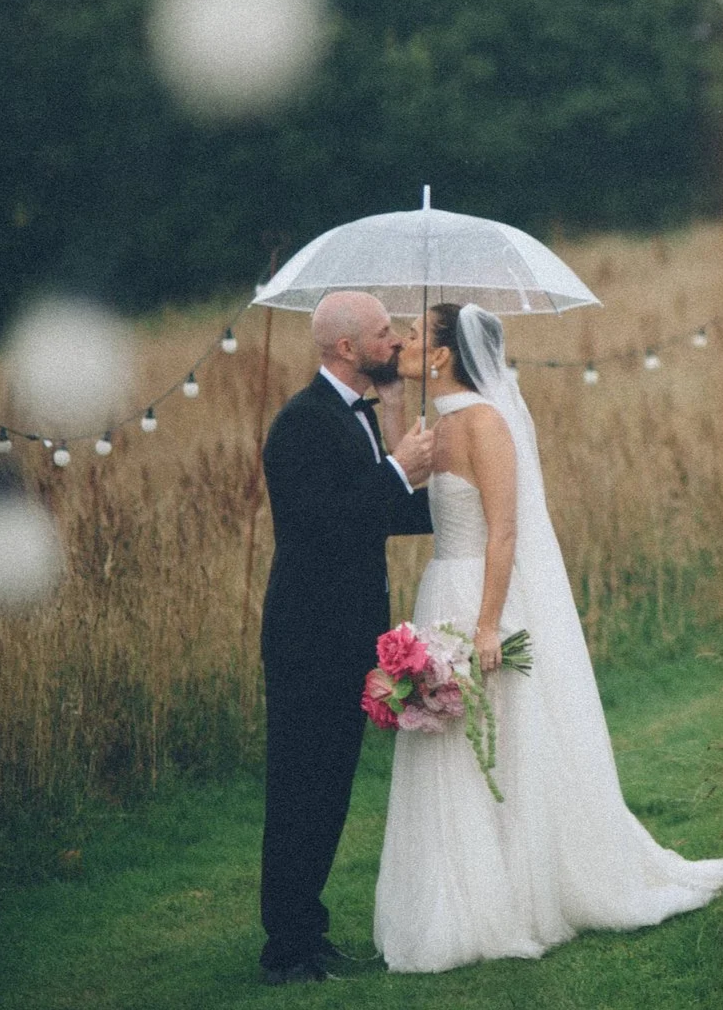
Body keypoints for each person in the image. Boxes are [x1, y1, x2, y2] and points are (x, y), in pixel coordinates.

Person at [374, 302, 723, 974]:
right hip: (439, 591)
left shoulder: (488, 423)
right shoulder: (436, 425)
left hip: (479, 596)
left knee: (501, 739)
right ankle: (461, 892)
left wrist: (490, 621)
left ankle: (523, 891)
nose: (403, 344)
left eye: (413, 336)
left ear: (441, 354)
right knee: (449, 747)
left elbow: (504, 529)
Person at [259, 290, 434, 986]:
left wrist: (452, 502)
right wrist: (397, 468)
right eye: (385, 333)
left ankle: (308, 929)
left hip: (346, 638)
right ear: (345, 348)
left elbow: (378, 512)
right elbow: (325, 523)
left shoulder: (354, 414)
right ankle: (285, 950)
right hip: (307, 640)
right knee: (299, 791)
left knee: (329, 791)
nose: (396, 343)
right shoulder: (302, 423)